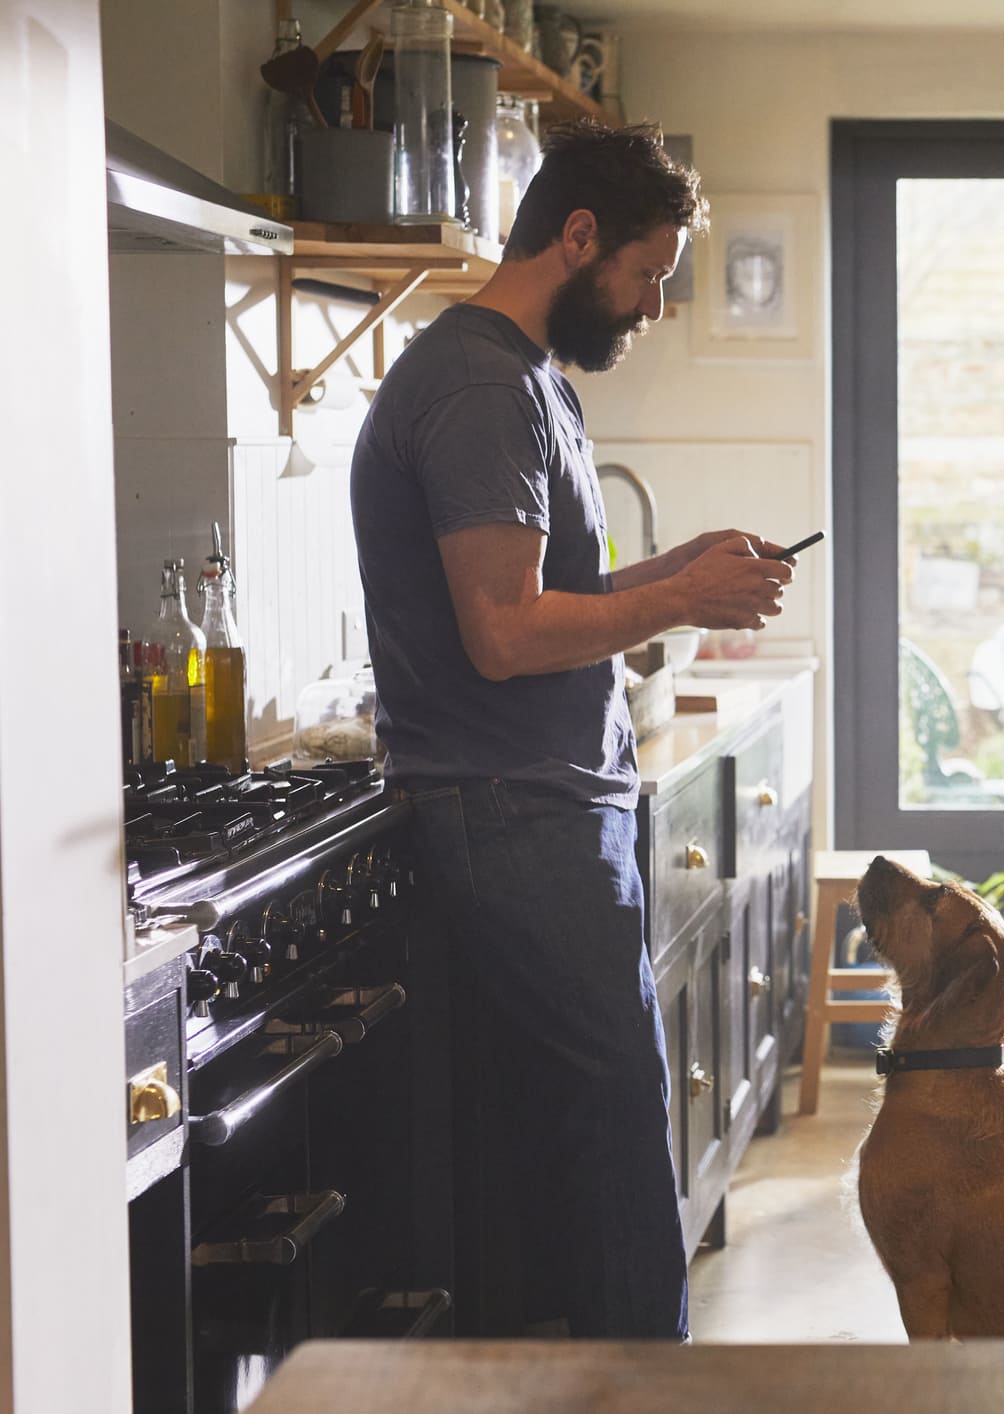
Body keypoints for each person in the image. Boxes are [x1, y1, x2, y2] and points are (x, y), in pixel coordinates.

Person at [350, 120, 793, 1340]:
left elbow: (555, 591)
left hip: (545, 799)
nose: (651, 304)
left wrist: (677, 565)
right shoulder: (482, 383)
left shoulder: (526, 375)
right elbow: (501, 629)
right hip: (510, 804)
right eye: (647, 273)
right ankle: (647, 1382)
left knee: (586, 1119)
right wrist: (685, 600)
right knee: (610, 1117)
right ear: (579, 236)